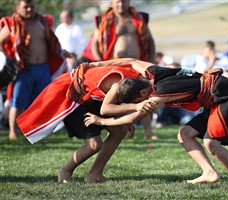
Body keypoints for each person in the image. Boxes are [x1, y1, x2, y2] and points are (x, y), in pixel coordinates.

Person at [84, 60, 228, 187]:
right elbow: (130, 61)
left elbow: (133, 118)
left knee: (211, 143)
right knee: (185, 134)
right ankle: (209, 173)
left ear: (144, 91)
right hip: (215, 98)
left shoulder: (158, 95)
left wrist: (101, 121)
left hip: (226, 96)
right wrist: (96, 64)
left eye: (139, 100)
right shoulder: (154, 72)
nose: (142, 102)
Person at [16, 58, 156, 183]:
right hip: (76, 97)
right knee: (94, 144)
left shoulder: (134, 80)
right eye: (143, 99)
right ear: (143, 91)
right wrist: (135, 107)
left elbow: (128, 62)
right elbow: (105, 109)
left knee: (119, 130)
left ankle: (94, 174)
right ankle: (65, 170)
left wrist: (125, 120)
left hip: (92, 98)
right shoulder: (119, 83)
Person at [0, 0, 67, 140]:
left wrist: (62, 52)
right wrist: (10, 58)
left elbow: (52, 42)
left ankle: (35, 131)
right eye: (26, 7)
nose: (29, 9)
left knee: (41, 102)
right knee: (17, 102)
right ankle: (13, 132)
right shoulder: (13, 23)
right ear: (18, 8)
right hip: (24, 69)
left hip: (43, 68)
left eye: (31, 6)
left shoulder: (42, 22)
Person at [90, 0, 157, 140]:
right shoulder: (104, 20)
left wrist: (150, 63)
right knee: (116, 97)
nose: (121, 5)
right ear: (112, 3)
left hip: (137, 65)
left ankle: (148, 131)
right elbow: (95, 43)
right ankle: (116, 128)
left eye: (124, 1)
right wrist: (100, 63)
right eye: (117, 2)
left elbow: (150, 42)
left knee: (146, 94)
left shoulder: (139, 18)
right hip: (115, 64)